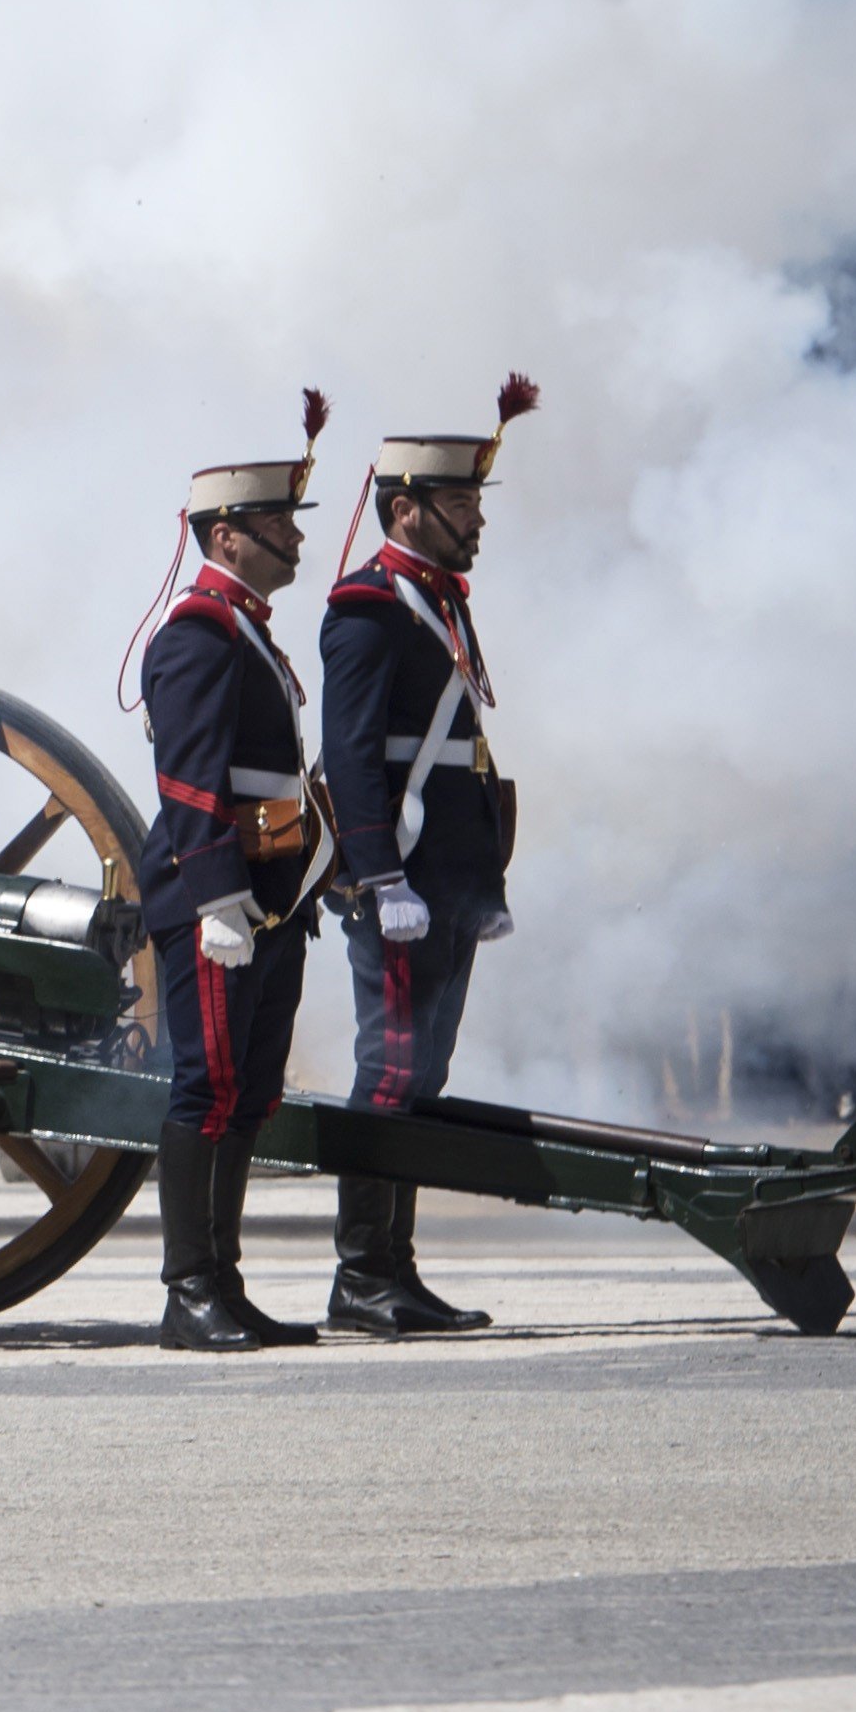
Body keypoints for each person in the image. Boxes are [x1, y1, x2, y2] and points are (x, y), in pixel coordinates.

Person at [315, 377, 535, 1334]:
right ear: (406, 509)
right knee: (390, 1072)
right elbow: (354, 750)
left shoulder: (430, 599)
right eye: (461, 504)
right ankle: (364, 1274)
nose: (476, 520)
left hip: (446, 875)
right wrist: (379, 874)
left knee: (422, 1074)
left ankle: (393, 1267)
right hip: (401, 875)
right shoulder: (368, 606)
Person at [132, 395, 332, 1352]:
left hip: (271, 896)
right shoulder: (200, 632)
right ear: (227, 534)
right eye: (278, 524)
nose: (294, 540)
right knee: (205, 1085)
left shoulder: (243, 626)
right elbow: (189, 777)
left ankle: (226, 1282)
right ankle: (188, 1290)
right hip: (221, 897)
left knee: (251, 1088)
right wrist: (216, 896)